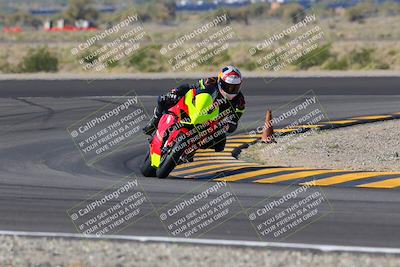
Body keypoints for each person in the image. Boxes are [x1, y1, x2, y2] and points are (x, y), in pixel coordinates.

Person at [143, 65, 245, 152]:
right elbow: (191, 87)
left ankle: (190, 150)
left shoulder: (239, 100)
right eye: (229, 86)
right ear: (221, 82)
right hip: (195, 109)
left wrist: (229, 124)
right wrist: (176, 92)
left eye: (235, 87)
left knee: (220, 144)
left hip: (210, 123)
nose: (232, 90)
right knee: (164, 99)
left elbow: (235, 120)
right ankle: (154, 122)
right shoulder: (211, 81)